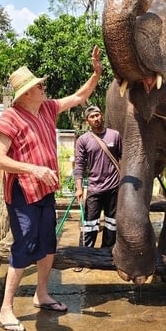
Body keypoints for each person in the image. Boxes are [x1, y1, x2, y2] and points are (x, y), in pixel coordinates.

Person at [0, 45, 103, 331]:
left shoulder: (47, 108)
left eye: (41, 85)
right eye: (38, 85)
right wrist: (34, 170)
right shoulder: (10, 118)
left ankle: (41, 294)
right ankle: (6, 309)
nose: (43, 87)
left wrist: (96, 74)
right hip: (22, 192)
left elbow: (80, 97)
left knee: (48, 244)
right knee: (25, 246)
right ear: (26, 92)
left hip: (45, 190)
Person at [73, 105, 122, 259]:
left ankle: (107, 252)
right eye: (92, 117)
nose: (96, 119)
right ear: (87, 121)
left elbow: (122, 157)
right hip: (94, 188)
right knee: (89, 224)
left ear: (102, 115)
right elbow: (79, 164)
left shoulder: (115, 135)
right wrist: (79, 188)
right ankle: (84, 256)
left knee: (111, 222)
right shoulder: (83, 140)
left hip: (114, 187)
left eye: (98, 115)